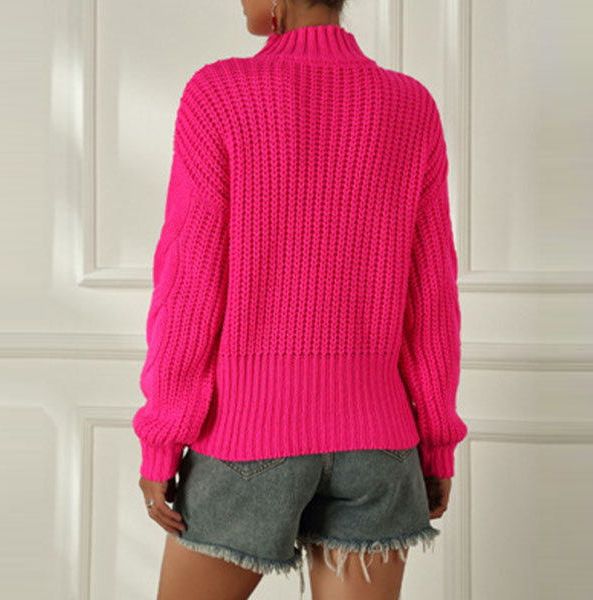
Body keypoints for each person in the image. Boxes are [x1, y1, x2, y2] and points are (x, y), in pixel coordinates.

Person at [133, 1, 469, 599]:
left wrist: (162, 437)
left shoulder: (220, 94)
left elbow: (189, 281)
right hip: (380, 443)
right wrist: (437, 439)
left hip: (246, 437)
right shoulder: (410, 105)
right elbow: (431, 295)